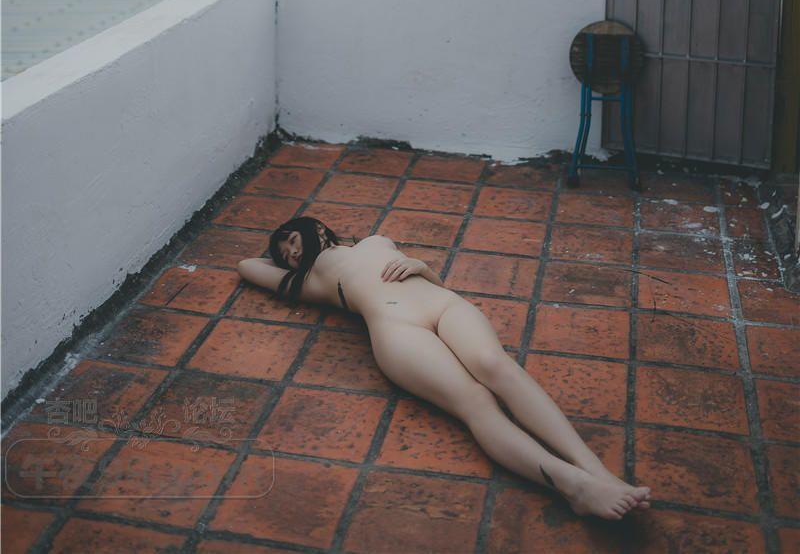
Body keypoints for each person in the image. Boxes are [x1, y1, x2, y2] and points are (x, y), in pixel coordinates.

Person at [237, 214, 651, 521]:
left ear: (317, 228)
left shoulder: (377, 240)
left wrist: (421, 266)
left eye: (293, 241)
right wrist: (282, 256)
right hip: (397, 329)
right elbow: (247, 266)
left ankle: (595, 468)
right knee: (477, 401)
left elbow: (430, 280)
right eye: (285, 255)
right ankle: (573, 485)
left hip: (441, 303)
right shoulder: (309, 282)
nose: (291, 254)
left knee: (496, 366)